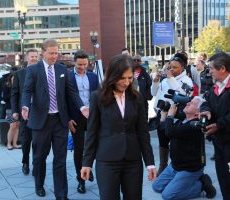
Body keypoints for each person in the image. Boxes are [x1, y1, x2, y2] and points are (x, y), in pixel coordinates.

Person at [81, 54, 156, 200]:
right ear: (113, 75)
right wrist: (87, 163)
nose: (126, 82)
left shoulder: (137, 98)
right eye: (122, 78)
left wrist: (150, 163)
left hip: (133, 161)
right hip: (107, 161)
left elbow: (143, 132)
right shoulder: (98, 97)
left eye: (130, 78)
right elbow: (92, 132)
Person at [21, 39, 88, 200]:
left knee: (60, 160)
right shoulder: (34, 70)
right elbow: (27, 91)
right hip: (41, 122)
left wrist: (82, 107)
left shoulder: (61, 69)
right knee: (39, 158)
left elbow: (71, 92)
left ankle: (61, 195)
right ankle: (39, 184)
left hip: (59, 121)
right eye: (51, 53)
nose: (54, 56)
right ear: (42, 52)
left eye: (56, 53)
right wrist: (25, 106)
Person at [152, 96, 216, 199]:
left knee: (167, 195)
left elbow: (170, 132)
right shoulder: (183, 120)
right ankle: (180, 182)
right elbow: (165, 133)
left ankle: (201, 184)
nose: (188, 103)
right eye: (189, 102)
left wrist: (170, 116)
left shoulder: (195, 126)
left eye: (192, 104)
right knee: (156, 186)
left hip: (189, 169)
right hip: (175, 166)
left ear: (198, 112)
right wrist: (164, 117)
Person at [151, 53, 193, 175]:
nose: (171, 69)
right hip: (161, 114)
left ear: (183, 68)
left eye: (175, 67)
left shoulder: (187, 80)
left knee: (175, 143)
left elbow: (183, 94)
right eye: (170, 67)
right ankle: (162, 165)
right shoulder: (165, 80)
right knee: (162, 141)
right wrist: (155, 81)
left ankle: (175, 167)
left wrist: (170, 78)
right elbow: (154, 93)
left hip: (177, 116)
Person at [67, 49, 99, 194]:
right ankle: (81, 180)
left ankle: (88, 168)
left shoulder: (93, 77)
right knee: (79, 149)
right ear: (74, 62)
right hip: (76, 118)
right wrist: (68, 119)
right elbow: (63, 100)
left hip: (92, 116)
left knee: (92, 146)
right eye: (79, 64)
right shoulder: (67, 76)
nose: (82, 67)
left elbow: (98, 97)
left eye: (85, 64)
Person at [200, 52, 230, 200]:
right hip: (219, 143)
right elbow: (206, 102)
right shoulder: (215, 87)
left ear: (222, 68)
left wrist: (219, 125)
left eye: (211, 68)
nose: (209, 71)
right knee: (224, 180)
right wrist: (206, 111)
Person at [11, 49, 39, 175]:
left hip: (39, 112)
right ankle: (25, 162)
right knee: (26, 140)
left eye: (36, 56)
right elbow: (14, 94)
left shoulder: (42, 72)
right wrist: (15, 111)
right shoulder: (19, 74)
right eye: (32, 56)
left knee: (38, 141)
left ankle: (36, 164)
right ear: (27, 58)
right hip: (24, 113)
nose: (34, 58)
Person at [5, 74, 20, 150]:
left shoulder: (19, 86)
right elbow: (5, 98)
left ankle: (15, 143)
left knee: (17, 126)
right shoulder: (7, 87)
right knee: (12, 126)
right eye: (13, 79)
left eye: (15, 79)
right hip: (10, 109)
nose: (14, 80)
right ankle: (8, 144)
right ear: (10, 79)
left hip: (18, 108)